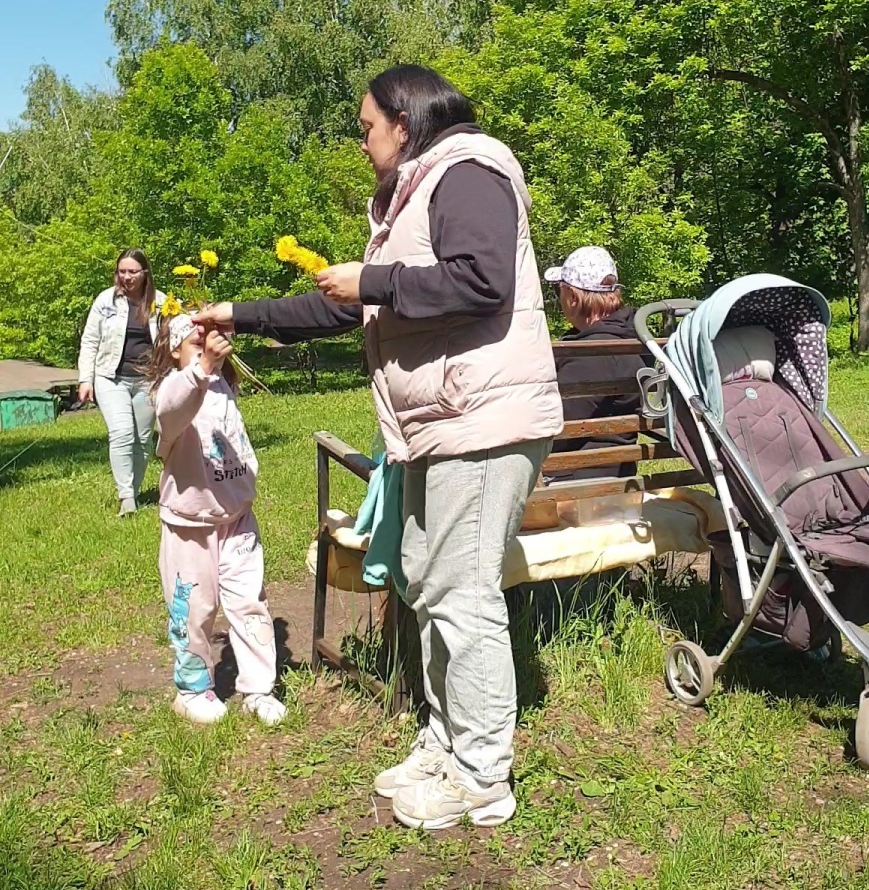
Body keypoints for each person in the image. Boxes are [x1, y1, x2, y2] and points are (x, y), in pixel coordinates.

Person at [196, 64, 562, 829]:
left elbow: (481, 280)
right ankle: (445, 740)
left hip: (482, 425)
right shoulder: (414, 195)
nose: (362, 143)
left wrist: (376, 278)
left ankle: (483, 777)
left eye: (366, 127)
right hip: (441, 428)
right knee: (430, 587)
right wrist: (239, 312)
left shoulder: (467, 168)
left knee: (464, 597)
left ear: (404, 119)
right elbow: (355, 308)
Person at [145, 311, 287, 727]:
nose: (210, 351)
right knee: (194, 608)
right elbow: (173, 410)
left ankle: (258, 687)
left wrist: (214, 364)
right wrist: (202, 367)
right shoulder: (171, 390)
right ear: (175, 350)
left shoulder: (223, 385)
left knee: (249, 602)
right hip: (191, 527)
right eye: (196, 343)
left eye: (215, 343)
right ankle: (192, 688)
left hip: (237, 519)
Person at [543, 246, 649, 482]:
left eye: (560, 290)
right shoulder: (633, 340)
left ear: (572, 297)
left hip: (575, 483)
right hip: (615, 476)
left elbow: (554, 430)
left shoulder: (591, 354)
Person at [77, 249, 165, 516]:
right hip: (110, 377)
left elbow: (179, 335)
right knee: (122, 433)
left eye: (132, 272)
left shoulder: (161, 302)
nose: (126, 277)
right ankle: (126, 498)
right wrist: (85, 379)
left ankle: (134, 491)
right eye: (122, 271)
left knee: (142, 439)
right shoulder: (106, 300)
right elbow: (90, 341)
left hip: (148, 379)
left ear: (144, 273)